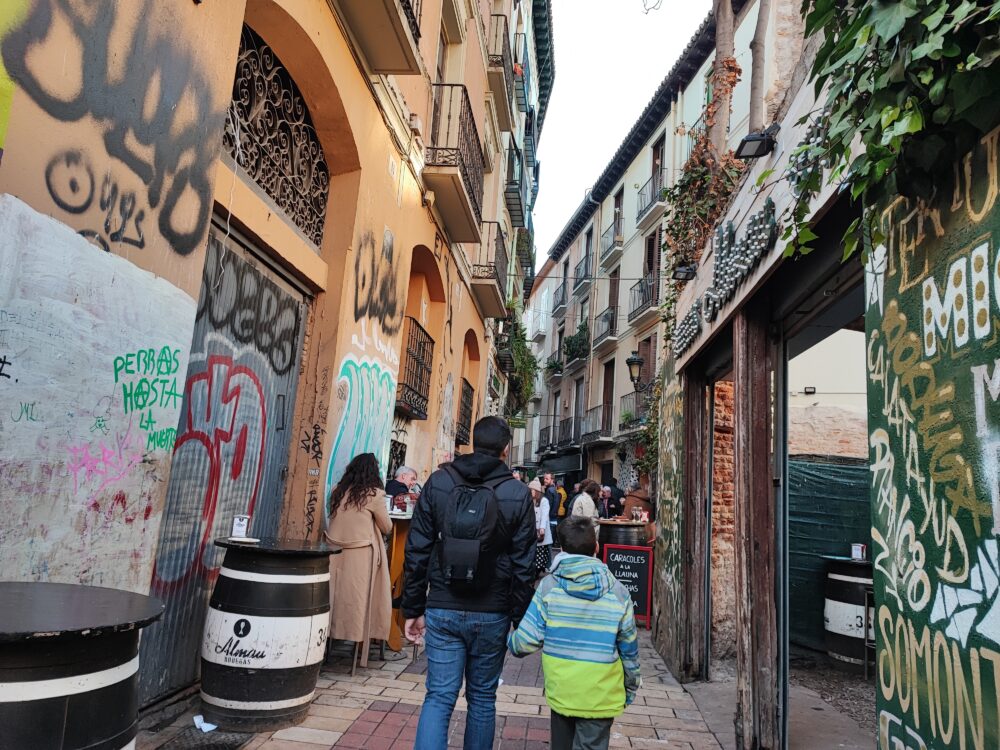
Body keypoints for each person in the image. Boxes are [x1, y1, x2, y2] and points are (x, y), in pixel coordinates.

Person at [402, 416, 536, 750]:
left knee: (438, 697)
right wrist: (520, 619)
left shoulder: (438, 483)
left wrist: (413, 607)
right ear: (506, 449)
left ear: (473, 443)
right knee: (482, 699)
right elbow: (524, 566)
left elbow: (417, 548)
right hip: (492, 612)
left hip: (443, 606)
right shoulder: (518, 494)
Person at [508, 517, 641, 750]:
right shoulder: (619, 593)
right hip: (601, 695)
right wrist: (630, 688)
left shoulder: (549, 587)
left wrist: (509, 639)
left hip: (562, 690)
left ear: (562, 548)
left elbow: (524, 643)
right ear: (596, 547)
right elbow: (629, 650)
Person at [324, 453, 392, 668]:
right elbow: (387, 527)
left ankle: (327, 640)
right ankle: (357, 643)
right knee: (358, 599)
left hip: (333, 553)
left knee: (333, 597)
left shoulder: (337, 490)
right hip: (361, 556)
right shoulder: (375, 495)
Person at [529, 477, 552, 578]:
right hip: (532, 531)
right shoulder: (530, 500)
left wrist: (542, 528)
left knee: (539, 552)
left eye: (531, 490)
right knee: (534, 552)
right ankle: (535, 570)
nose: (530, 492)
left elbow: (544, 516)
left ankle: (537, 571)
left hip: (541, 533)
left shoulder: (544, 501)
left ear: (536, 491)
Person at [543, 472, 560, 543]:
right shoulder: (553, 490)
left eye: (547, 479)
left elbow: (547, 507)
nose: (544, 480)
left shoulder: (550, 490)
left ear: (552, 480)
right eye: (544, 478)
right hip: (553, 518)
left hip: (550, 519)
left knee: (548, 543)